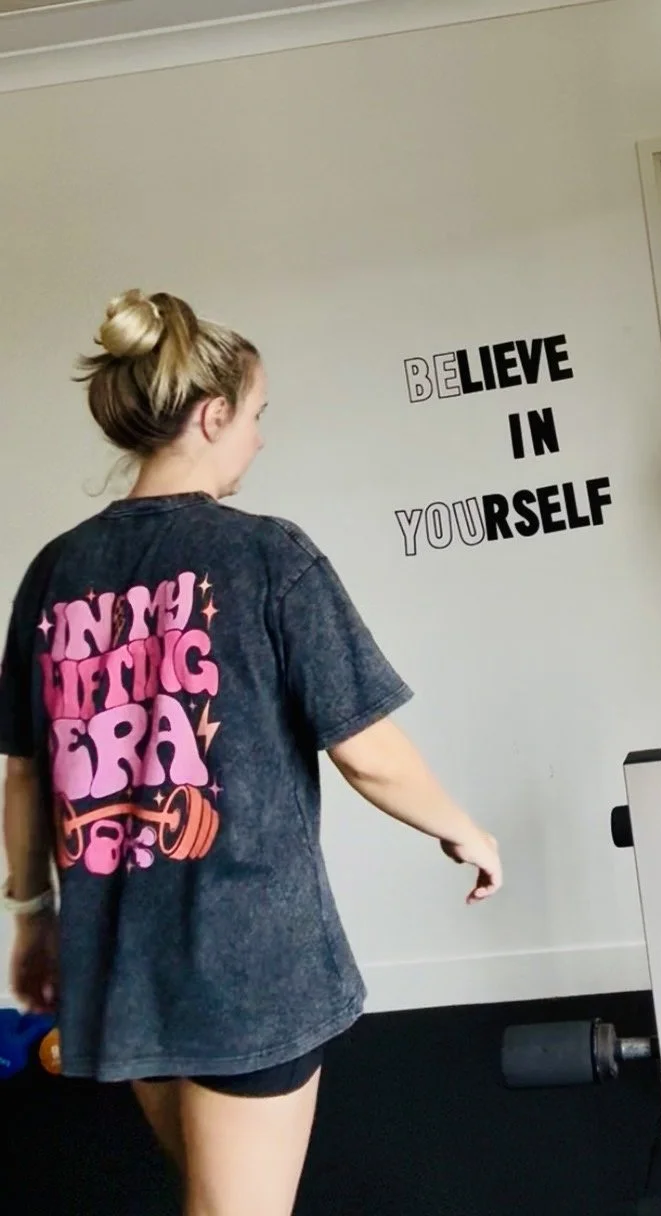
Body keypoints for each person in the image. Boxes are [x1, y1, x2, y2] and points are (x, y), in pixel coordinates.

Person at [0, 289, 503, 1216]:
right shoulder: (268, 558)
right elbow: (366, 750)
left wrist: (34, 918)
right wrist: (466, 828)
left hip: (118, 959)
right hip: (247, 966)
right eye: (257, 416)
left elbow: (25, 772)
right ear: (213, 413)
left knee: (210, 1188)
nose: (260, 441)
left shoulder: (53, 573)